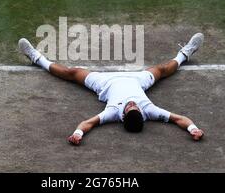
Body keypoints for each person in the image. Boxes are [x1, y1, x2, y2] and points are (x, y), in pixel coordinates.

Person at [18, 33, 205, 146]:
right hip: (138, 81)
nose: (132, 104)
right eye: (135, 106)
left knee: (71, 72)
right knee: (162, 70)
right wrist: (193, 129)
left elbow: (87, 124)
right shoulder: (150, 111)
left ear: (123, 115)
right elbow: (180, 119)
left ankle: (36, 57)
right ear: (141, 112)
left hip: (104, 83)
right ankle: (185, 53)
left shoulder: (113, 112)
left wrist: (77, 134)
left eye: (129, 107)